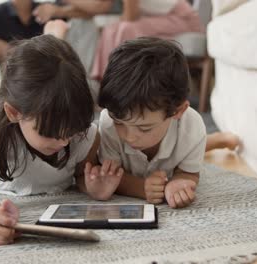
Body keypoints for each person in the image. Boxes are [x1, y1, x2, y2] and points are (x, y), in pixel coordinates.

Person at [0, 21, 123, 246]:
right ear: (14, 113)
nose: (63, 142)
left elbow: (80, 174)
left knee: (51, 81)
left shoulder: (86, 135)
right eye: (50, 133)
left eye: (71, 131)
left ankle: (49, 44)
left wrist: (93, 187)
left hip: (20, 110)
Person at [87, 37, 239, 209]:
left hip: (186, 142)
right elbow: (111, 176)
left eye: (144, 128)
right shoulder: (109, 122)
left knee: (192, 144)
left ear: (177, 111)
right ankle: (218, 140)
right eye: (119, 122)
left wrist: (180, 182)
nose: (129, 136)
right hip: (147, 159)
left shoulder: (191, 127)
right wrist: (142, 188)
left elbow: (188, 172)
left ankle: (218, 140)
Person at [91, 0, 203, 80]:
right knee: (110, 29)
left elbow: (130, 16)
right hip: (158, 16)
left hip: (181, 18)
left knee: (126, 28)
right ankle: (107, 80)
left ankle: (122, 78)